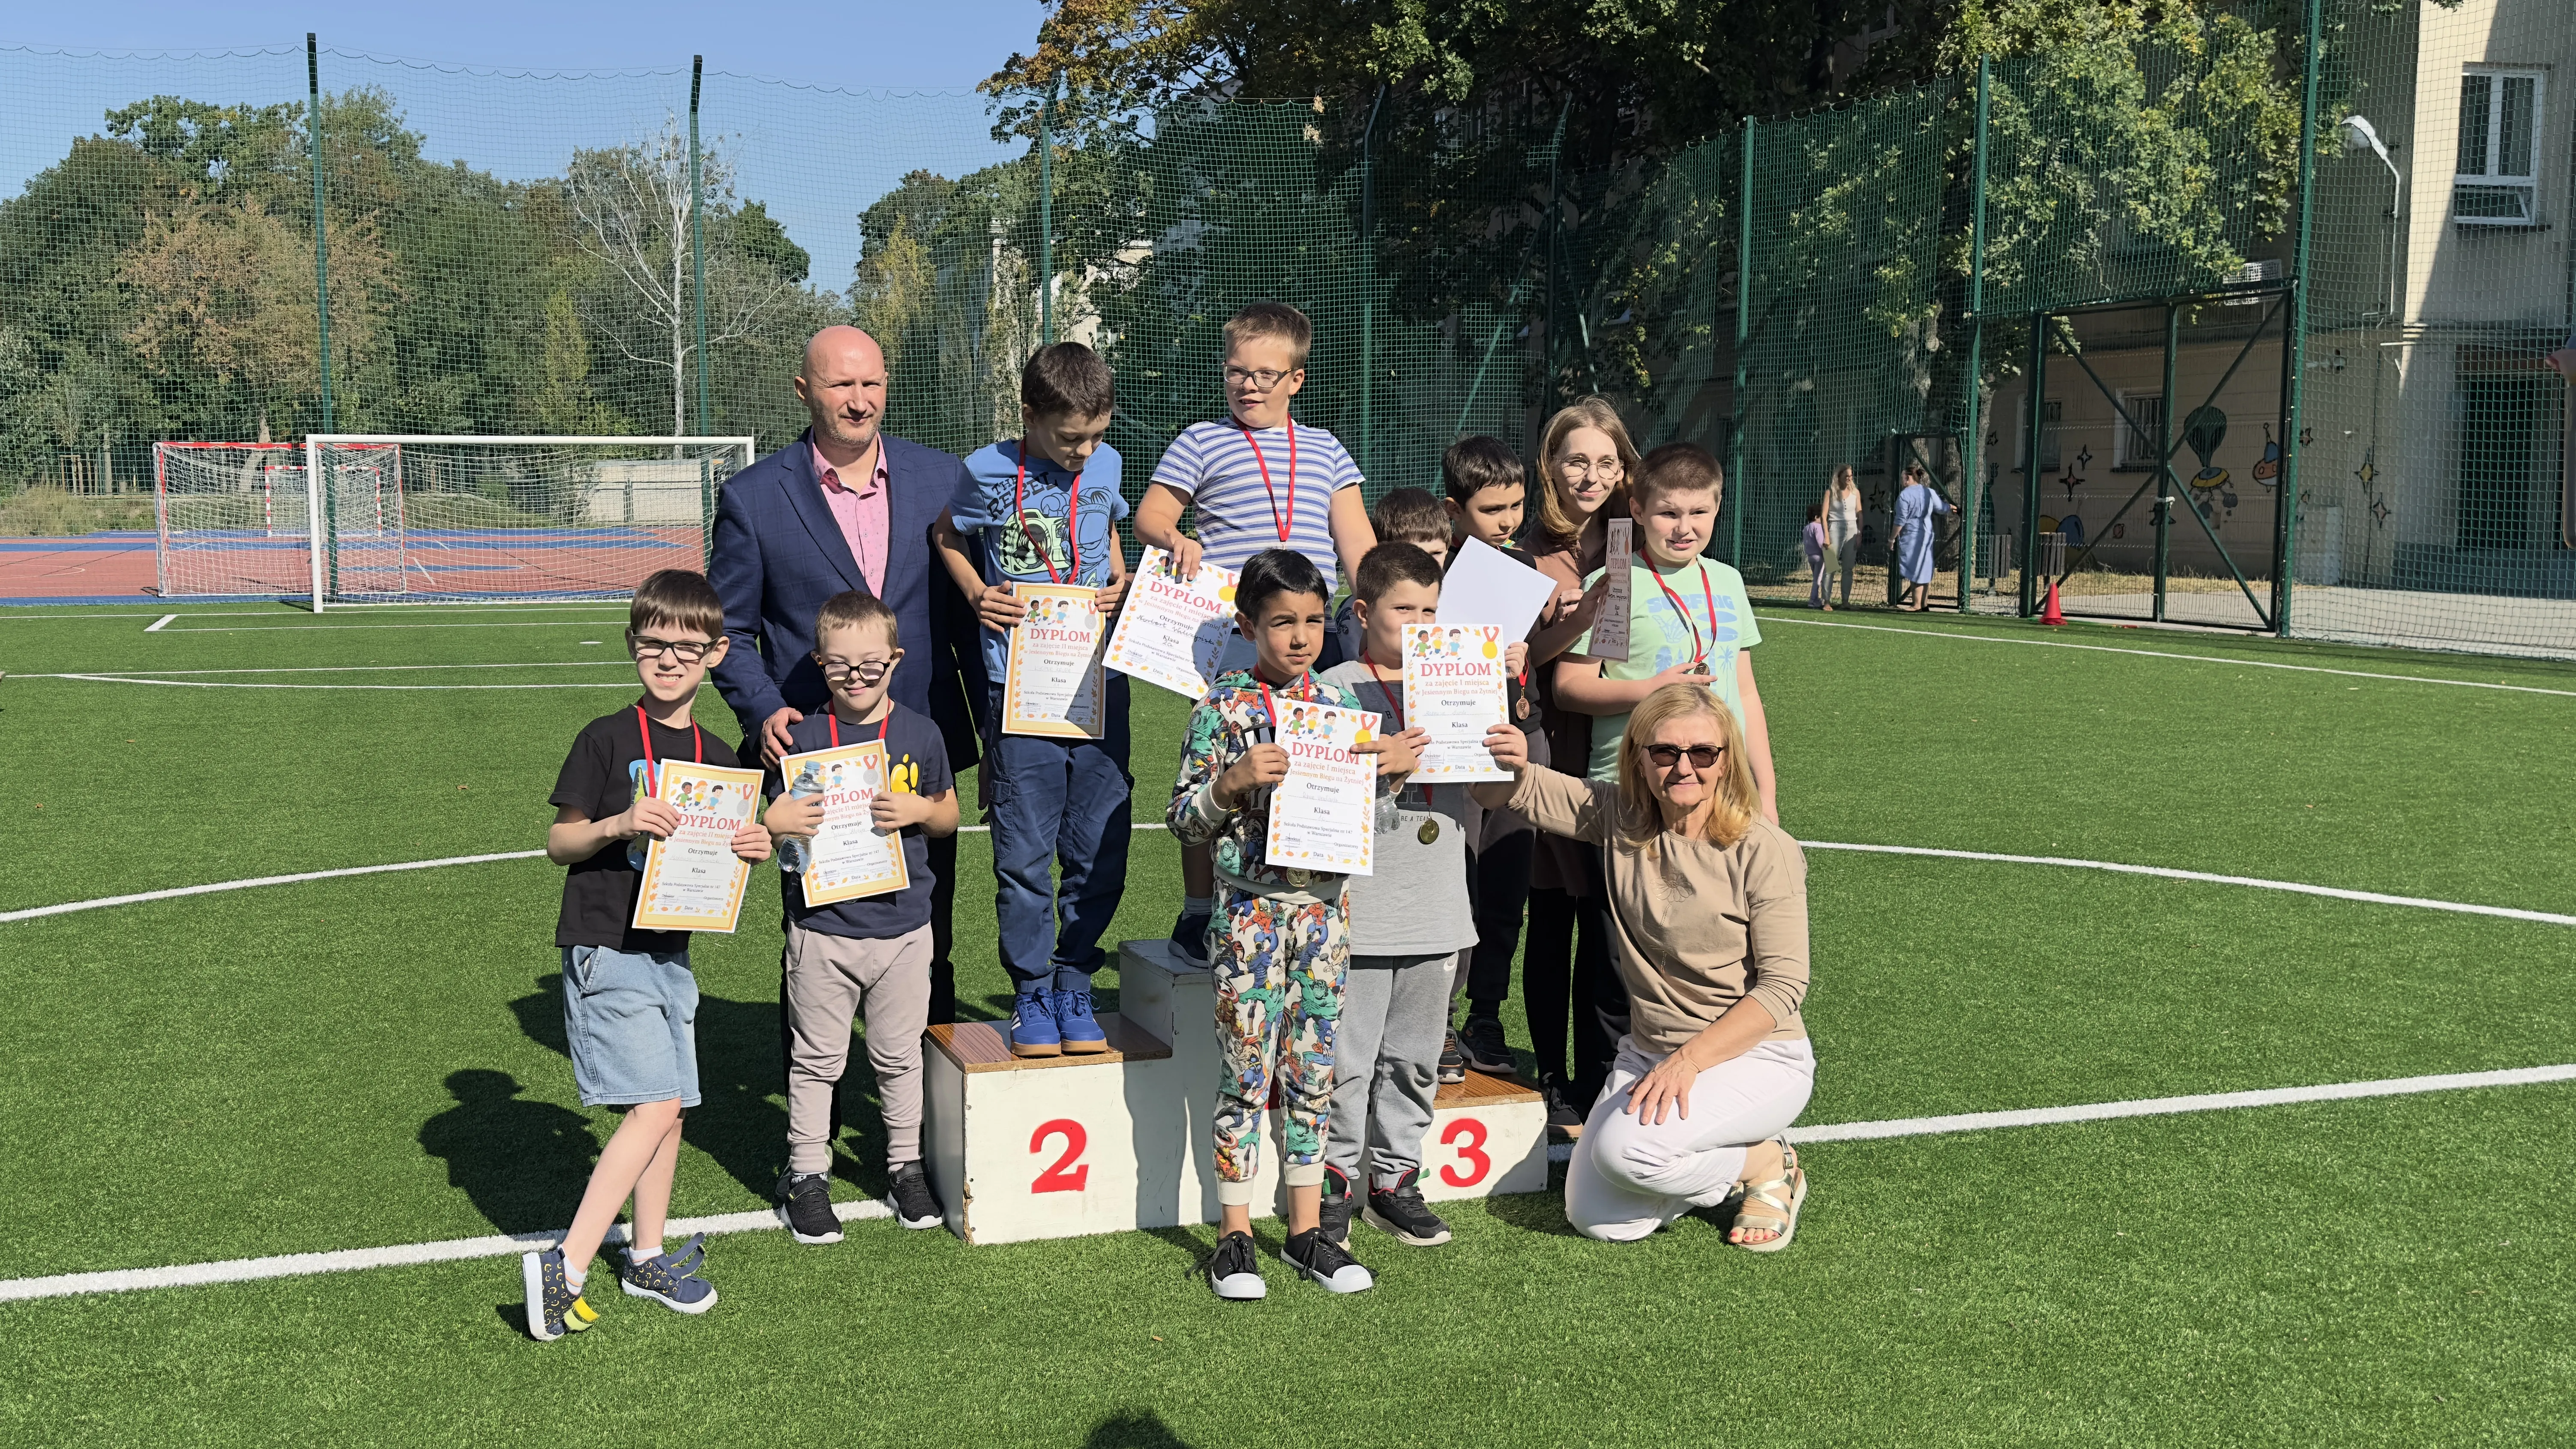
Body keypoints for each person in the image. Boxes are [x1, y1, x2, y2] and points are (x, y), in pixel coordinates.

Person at [706, 324, 979, 1160]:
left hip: (915, 756)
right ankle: (811, 1137)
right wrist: (761, 713)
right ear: (804, 391)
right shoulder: (755, 497)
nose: (858, 400)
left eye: (870, 383)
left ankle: (925, 1125)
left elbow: (967, 621)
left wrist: (990, 739)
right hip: (814, 765)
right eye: (838, 386)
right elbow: (727, 629)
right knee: (816, 939)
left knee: (931, 932)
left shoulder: (941, 477)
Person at [1472, 682, 1813, 1247]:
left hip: (1758, 1056)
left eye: (1703, 753)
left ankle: (1765, 1165)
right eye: (1665, 752)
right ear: (1639, 757)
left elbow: (1783, 987)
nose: (1685, 767)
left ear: (1728, 759)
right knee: (1601, 1218)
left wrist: (1688, 1061)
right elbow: (1504, 792)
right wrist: (1504, 754)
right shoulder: (1619, 817)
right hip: (1650, 1052)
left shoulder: (1765, 848)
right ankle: (1726, 1160)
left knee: (1625, 1151)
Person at [521, 570, 771, 1341]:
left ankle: (648, 1254)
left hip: (670, 950)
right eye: (655, 644)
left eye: (686, 647)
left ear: (715, 653)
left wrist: (753, 846)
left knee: (671, 1112)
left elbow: (723, 856)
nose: (669, 660)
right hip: (607, 942)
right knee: (655, 1103)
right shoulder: (605, 737)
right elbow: (560, 841)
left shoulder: (720, 752)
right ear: (634, 645)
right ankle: (564, 1266)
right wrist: (617, 823)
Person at [1166, 548, 1420, 1300]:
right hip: (1249, 915)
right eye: (1282, 622)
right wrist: (1231, 783)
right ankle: (1234, 1235)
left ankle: (1308, 1232)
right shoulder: (1222, 707)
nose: (1301, 636)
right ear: (1248, 625)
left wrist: (1388, 774)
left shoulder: (1340, 713)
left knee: (1313, 1074)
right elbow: (1182, 820)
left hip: (1325, 917)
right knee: (1247, 1075)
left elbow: (1357, 822)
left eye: (1313, 620)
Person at [1135, 301, 1377, 966]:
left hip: (1309, 637)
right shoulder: (1201, 440)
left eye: (1266, 375)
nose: (1249, 386)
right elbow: (1151, 515)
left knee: (1309, 768)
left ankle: (1304, 896)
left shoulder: (1326, 448)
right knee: (1215, 771)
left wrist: (1382, 607)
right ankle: (1198, 909)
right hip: (1229, 637)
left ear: (1297, 379)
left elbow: (1357, 543)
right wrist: (1174, 537)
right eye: (1237, 372)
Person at [1318, 541, 1521, 1249]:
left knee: (1412, 1057)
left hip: (1437, 906)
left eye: (1431, 609)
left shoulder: (1462, 679)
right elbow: (1315, 803)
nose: (1419, 621)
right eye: (1404, 609)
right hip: (1361, 911)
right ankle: (1335, 1183)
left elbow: (1492, 795)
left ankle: (1394, 1181)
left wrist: (1506, 738)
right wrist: (1388, 767)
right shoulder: (1334, 688)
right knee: (1346, 1060)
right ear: (1364, 611)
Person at [934, 342, 1134, 1058]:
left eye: (1096, 434)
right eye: (1068, 437)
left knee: (1099, 847)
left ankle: (1074, 980)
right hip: (1018, 688)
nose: (1084, 451)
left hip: (1099, 682)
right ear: (1029, 415)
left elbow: (1106, 527)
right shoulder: (984, 470)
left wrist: (1118, 579)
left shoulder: (1106, 466)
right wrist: (976, 592)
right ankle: (1028, 994)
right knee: (1023, 854)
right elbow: (947, 535)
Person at [761, 590, 959, 1245]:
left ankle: (904, 1165)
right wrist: (778, 821)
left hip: (904, 928)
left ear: (895, 660)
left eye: (871, 664)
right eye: (841, 664)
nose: (857, 676)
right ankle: (807, 1174)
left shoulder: (921, 732)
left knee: (899, 1057)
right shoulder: (803, 739)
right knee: (817, 1060)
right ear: (820, 662)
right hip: (822, 929)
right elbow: (782, 847)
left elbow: (950, 813)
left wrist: (918, 812)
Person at [1436, 436, 1591, 1091]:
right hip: (1455, 747)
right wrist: (1474, 653)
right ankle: (1439, 1016)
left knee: (1505, 888)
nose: (1506, 519)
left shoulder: (1524, 563)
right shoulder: (1436, 569)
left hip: (1520, 738)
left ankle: (1485, 1016)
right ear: (1454, 508)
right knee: (1454, 886)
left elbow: (1539, 655)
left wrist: (1576, 624)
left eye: (1517, 505)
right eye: (1492, 508)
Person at [1516, 399, 1630, 1135]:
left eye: (1605, 462)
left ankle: (1604, 1070)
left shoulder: (1634, 540)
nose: (1589, 476)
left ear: (1624, 468)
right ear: (1550, 464)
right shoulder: (1522, 548)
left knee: (1610, 916)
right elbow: (1516, 660)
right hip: (1547, 741)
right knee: (1552, 909)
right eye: (1575, 460)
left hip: (1620, 746)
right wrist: (1571, 616)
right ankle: (1553, 1073)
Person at [1336, 486, 1448, 666]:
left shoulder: (1458, 595)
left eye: (1436, 553)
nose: (1427, 565)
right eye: (1412, 554)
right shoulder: (1358, 611)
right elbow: (1354, 667)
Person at [1891, 462, 1952, 611]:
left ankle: (1917, 605)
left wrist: (1892, 538)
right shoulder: (1929, 492)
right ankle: (1924, 604)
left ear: (1908, 478)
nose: (1902, 480)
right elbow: (1941, 508)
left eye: (1902, 477)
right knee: (1924, 567)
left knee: (1914, 569)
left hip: (1912, 535)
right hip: (1927, 534)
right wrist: (1951, 507)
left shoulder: (1904, 495)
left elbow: (1901, 520)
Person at [1822, 465, 1863, 608]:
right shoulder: (1830, 492)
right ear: (1838, 477)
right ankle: (1826, 601)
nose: (1849, 479)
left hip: (1852, 528)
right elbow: (1823, 516)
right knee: (1831, 567)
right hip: (1834, 527)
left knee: (1848, 568)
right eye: (1846, 476)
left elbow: (1860, 513)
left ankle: (1845, 601)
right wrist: (1826, 537)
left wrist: (1859, 533)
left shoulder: (1856, 493)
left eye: (1851, 476)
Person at [1803, 502, 1831, 609]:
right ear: (1817, 517)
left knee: (1816, 578)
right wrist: (1827, 552)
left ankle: (1816, 599)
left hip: (1810, 556)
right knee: (1818, 580)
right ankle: (1813, 600)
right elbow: (1821, 543)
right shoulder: (1818, 527)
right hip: (1819, 557)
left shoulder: (1807, 528)